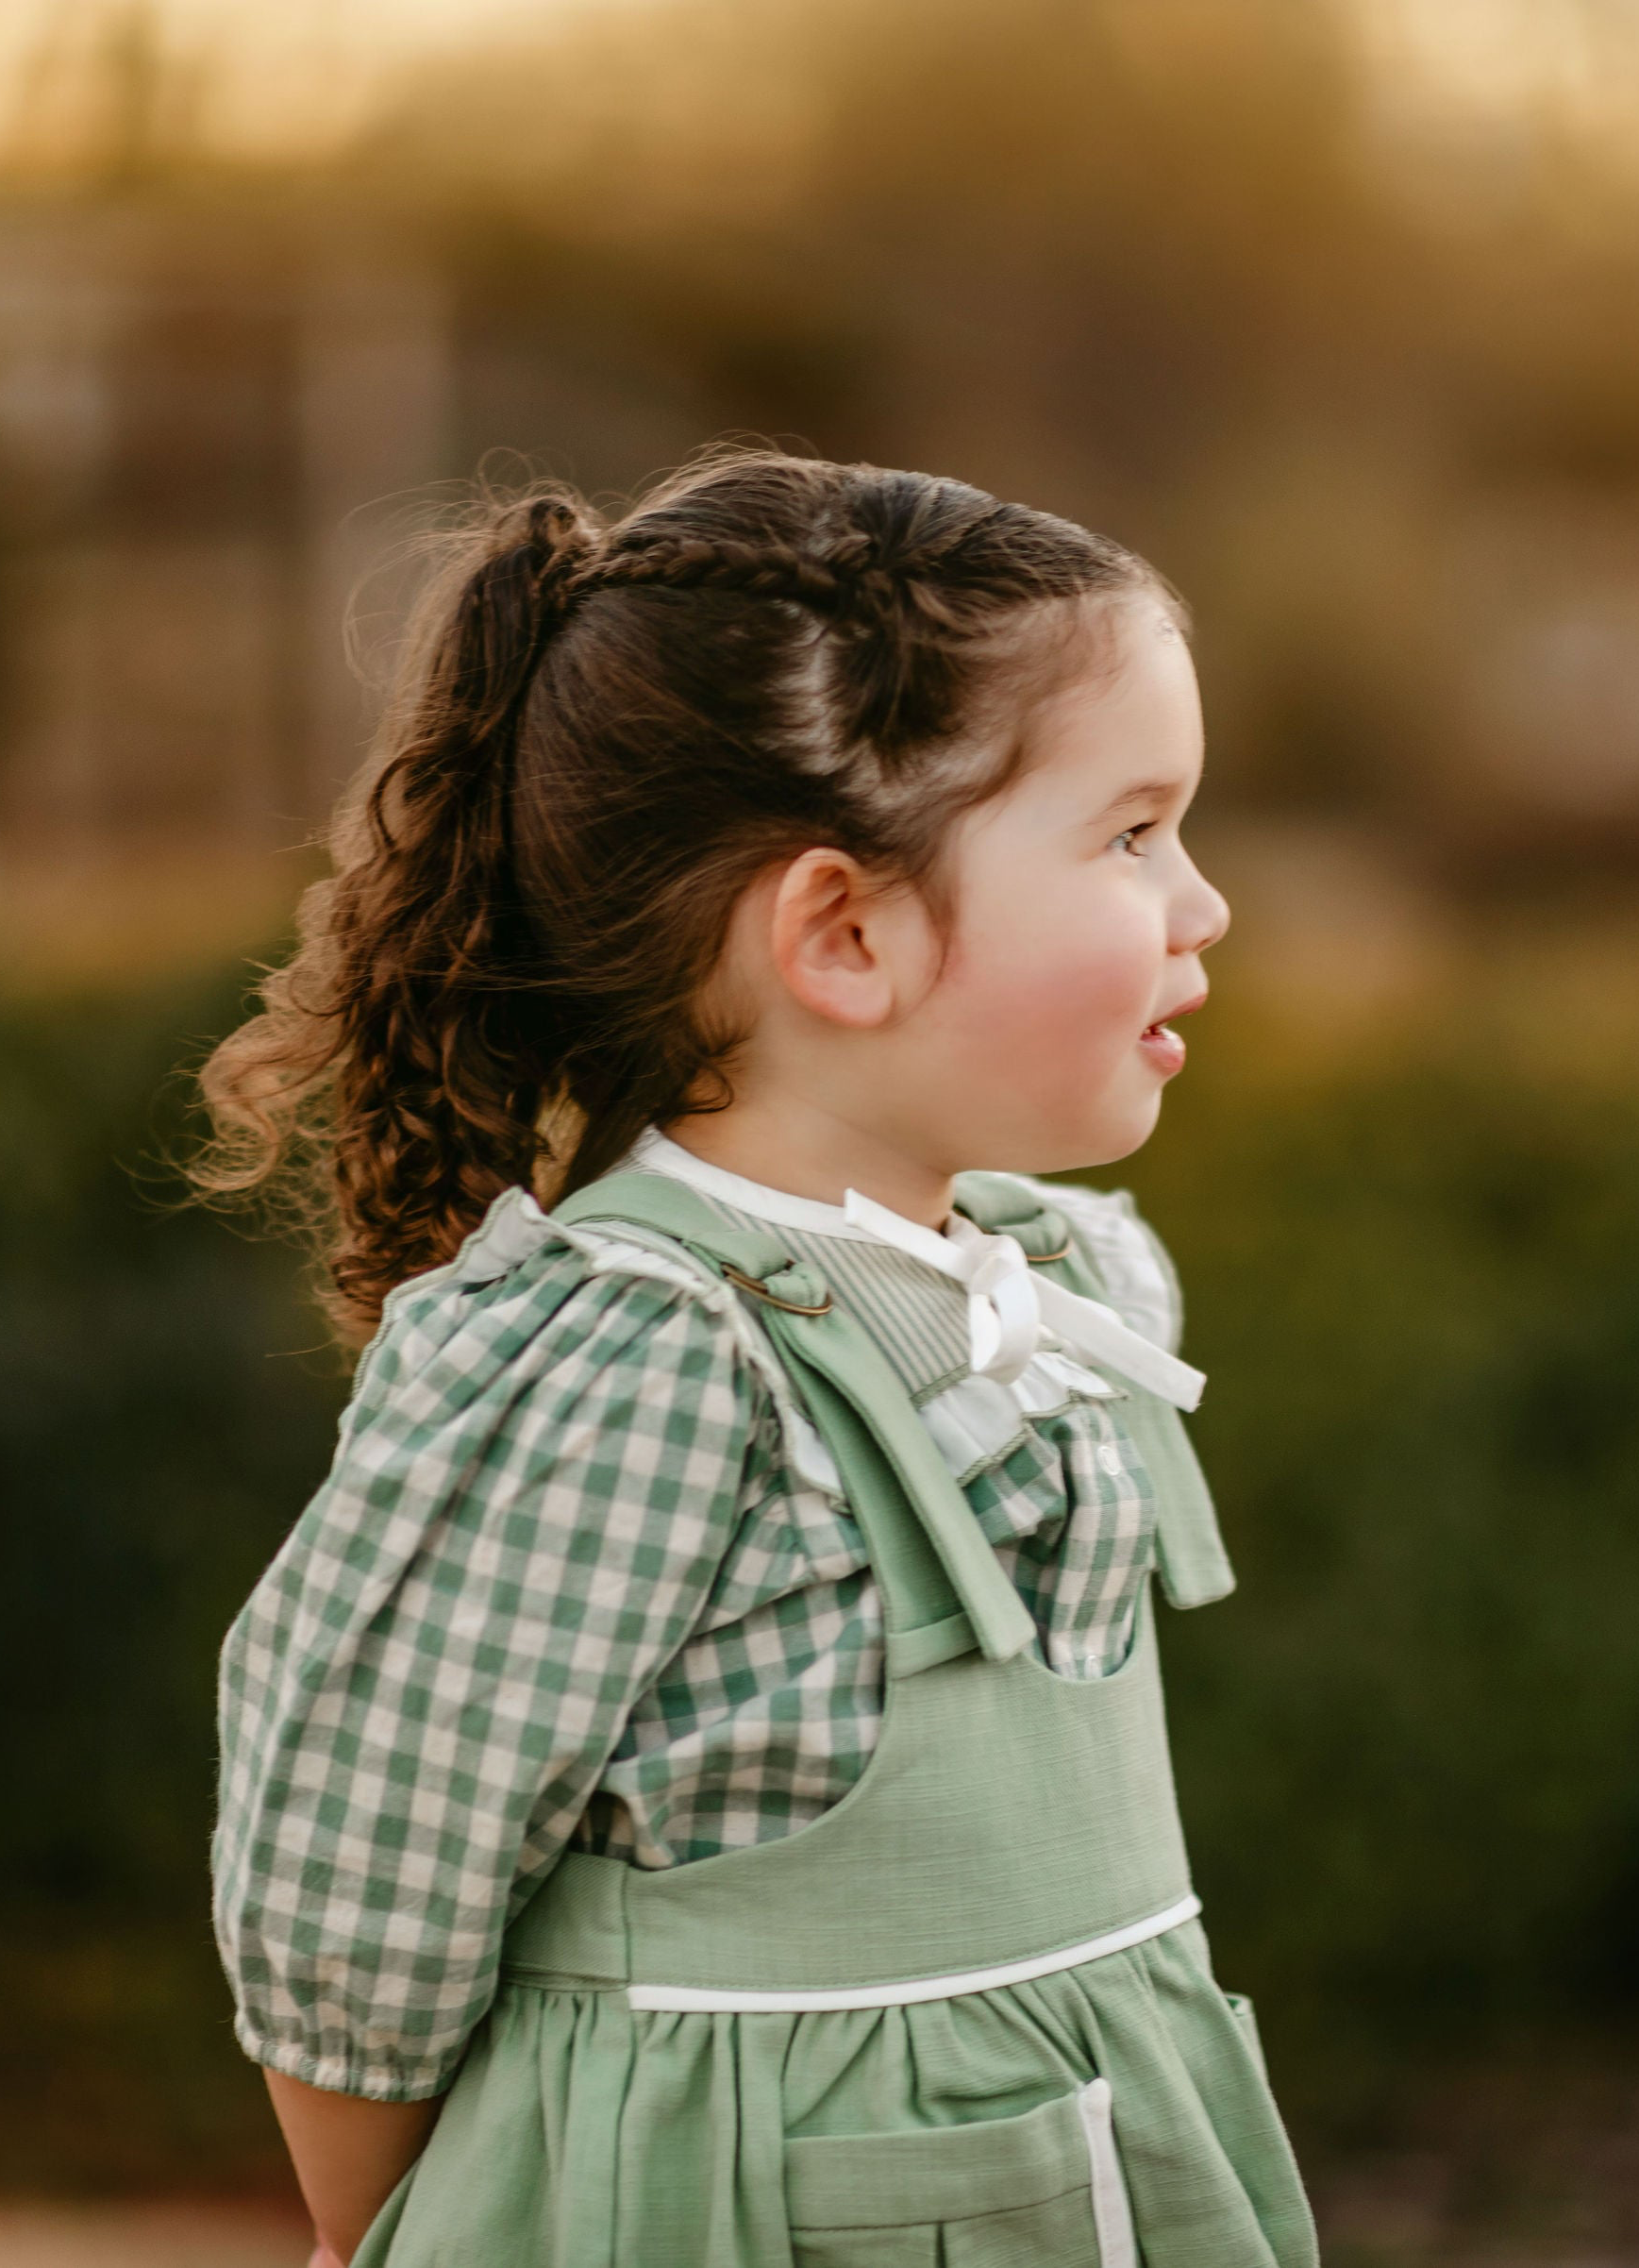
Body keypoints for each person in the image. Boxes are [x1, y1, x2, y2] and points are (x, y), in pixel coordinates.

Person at [195, 445, 1317, 2266]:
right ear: (843, 932)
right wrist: (406, 2230)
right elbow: (353, 1885)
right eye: (1129, 834)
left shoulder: (1073, 1283)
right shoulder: (639, 1357)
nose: (1201, 905)